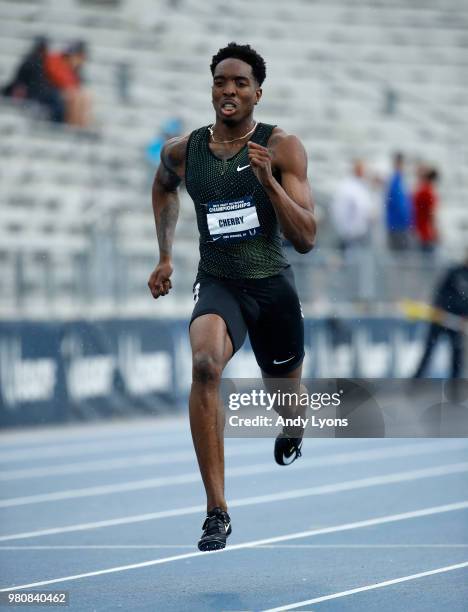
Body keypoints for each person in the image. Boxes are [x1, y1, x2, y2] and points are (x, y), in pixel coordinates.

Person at [147, 42, 316, 551]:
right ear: (212, 87)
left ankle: (291, 430)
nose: (229, 90)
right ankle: (216, 510)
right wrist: (165, 256)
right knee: (204, 364)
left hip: (272, 287)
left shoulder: (281, 147)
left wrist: (269, 183)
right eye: (222, 81)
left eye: (240, 83)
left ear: (257, 94)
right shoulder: (185, 150)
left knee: (289, 405)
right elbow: (163, 187)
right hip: (220, 283)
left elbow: (307, 238)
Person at [413, 255, 468, 379]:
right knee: (429, 351)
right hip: (440, 318)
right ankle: (416, 381)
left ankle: (455, 385)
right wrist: (439, 307)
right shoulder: (455, 272)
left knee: (457, 355)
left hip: (456, 323)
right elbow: (441, 290)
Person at [1, 36, 65, 123]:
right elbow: (20, 81)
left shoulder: (38, 61)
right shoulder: (35, 61)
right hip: (35, 94)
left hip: (39, 92)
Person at [330, 159, 374, 253]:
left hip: (360, 233)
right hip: (351, 234)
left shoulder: (360, 186)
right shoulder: (348, 187)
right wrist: (346, 230)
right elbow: (340, 211)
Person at [45, 41, 92, 127]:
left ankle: (81, 125)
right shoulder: (55, 60)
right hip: (51, 92)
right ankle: (73, 125)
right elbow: (59, 80)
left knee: (85, 97)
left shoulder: (75, 70)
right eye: (79, 57)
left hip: (62, 92)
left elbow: (75, 85)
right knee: (75, 98)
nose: (80, 62)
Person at [385, 152, 412, 251]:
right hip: (398, 226)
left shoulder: (400, 180)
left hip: (400, 225)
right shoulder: (395, 181)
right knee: (400, 259)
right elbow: (399, 205)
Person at [413, 165, 439, 254]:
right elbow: (431, 214)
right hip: (426, 234)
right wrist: (436, 233)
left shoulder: (420, 190)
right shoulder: (428, 192)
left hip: (419, 230)